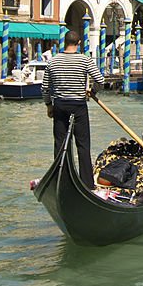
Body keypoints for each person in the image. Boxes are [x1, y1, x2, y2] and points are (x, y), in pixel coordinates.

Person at [42, 31, 105, 189]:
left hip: (60, 105)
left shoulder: (52, 61)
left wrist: (49, 105)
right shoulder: (85, 60)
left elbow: (44, 88)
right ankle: (88, 184)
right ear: (78, 43)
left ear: (65, 42)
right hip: (78, 106)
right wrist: (93, 91)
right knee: (83, 145)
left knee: (60, 144)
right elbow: (100, 80)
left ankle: (60, 180)